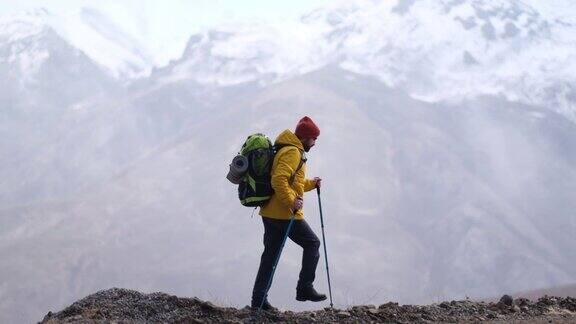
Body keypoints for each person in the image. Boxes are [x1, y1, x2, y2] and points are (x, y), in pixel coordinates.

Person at [251, 116, 327, 311]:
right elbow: (279, 180)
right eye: (314, 138)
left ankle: (258, 302)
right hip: (284, 214)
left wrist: (311, 184)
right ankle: (304, 288)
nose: (315, 142)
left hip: (271, 212)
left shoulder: (288, 149)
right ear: (305, 137)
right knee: (313, 243)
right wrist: (292, 202)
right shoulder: (293, 152)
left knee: (270, 258)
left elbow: (293, 181)